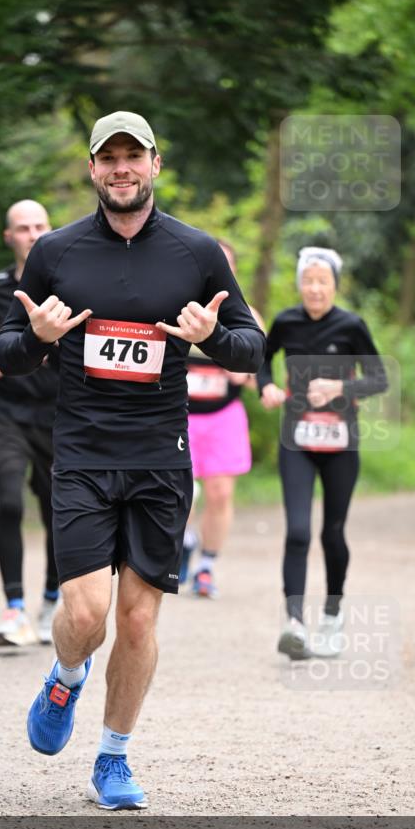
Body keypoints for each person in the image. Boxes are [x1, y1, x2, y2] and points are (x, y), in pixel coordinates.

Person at [0, 111, 265, 810]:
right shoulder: (55, 252)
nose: (121, 168)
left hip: (159, 459)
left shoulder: (196, 252)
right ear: (92, 168)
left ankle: (113, 757)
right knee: (87, 616)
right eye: (108, 157)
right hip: (82, 453)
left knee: (139, 621)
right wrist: (38, 338)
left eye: (133, 156)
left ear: (154, 164)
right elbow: (9, 352)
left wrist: (214, 338)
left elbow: (252, 345)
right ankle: (65, 676)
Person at [257, 246, 387, 660]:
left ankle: (332, 615)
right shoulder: (286, 321)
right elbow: (263, 359)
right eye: (308, 281)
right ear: (300, 284)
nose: (315, 288)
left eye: (323, 281)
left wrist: (340, 388)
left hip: (340, 443)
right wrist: (266, 386)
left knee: (332, 533)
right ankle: (294, 623)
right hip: (296, 439)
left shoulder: (351, 325)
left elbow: (379, 378)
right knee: (297, 531)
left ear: (334, 285)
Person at [0, 200, 59, 649]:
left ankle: (51, 602)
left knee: (56, 511)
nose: (32, 234)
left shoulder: (69, 282)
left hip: (58, 414)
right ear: (9, 237)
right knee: (9, 501)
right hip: (5, 412)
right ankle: (14, 608)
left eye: (39, 225)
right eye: (23, 228)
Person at [181, 239, 265, 598]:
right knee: (179, 493)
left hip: (223, 416)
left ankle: (206, 566)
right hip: (178, 413)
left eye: (227, 264)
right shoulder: (176, 304)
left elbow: (258, 370)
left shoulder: (247, 314)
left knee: (220, 493)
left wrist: (244, 372)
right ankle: (185, 541)